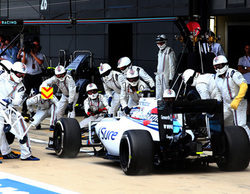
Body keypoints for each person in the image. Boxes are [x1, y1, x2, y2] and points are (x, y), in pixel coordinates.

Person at [0, 61, 39, 160]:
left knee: (22, 128)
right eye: (19, 74)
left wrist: (10, 100)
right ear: (12, 71)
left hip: (9, 108)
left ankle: (26, 154)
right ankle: (5, 152)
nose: (21, 77)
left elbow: (17, 102)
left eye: (23, 75)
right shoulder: (2, 76)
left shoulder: (21, 86)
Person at [213, 55, 250, 139]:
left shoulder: (233, 73)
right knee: (222, 122)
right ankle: (229, 142)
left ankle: (247, 141)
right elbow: (218, 92)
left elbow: (244, 85)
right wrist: (218, 102)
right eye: (215, 66)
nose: (218, 68)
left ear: (225, 64)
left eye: (219, 65)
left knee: (241, 125)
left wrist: (237, 99)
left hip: (239, 102)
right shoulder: (216, 77)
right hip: (226, 103)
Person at [20, 39, 44, 117]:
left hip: (37, 75)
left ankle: (42, 108)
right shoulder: (26, 54)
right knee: (26, 93)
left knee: (39, 92)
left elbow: (40, 62)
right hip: (28, 76)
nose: (34, 47)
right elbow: (23, 63)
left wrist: (33, 54)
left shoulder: (40, 54)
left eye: (36, 46)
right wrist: (25, 53)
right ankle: (24, 110)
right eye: (33, 46)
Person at [155, 34, 176, 100]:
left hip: (165, 76)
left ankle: (166, 108)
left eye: (161, 43)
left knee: (166, 93)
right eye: (158, 43)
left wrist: (171, 77)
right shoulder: (159, 51)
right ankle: (158, 107)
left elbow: (172, 65)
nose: (159, 44)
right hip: (158, 75)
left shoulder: (169, 50)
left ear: (165, 42)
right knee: (158, 93)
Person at [238, 43, 250, 121]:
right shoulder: (241, 59)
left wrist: (245, 68)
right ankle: (246, 116)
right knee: (245, 99)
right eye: (246, 48)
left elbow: (243, 69)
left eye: (249, 48)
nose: (248, 50)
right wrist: (247, 69)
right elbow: (240, 70)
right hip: (245, 81)